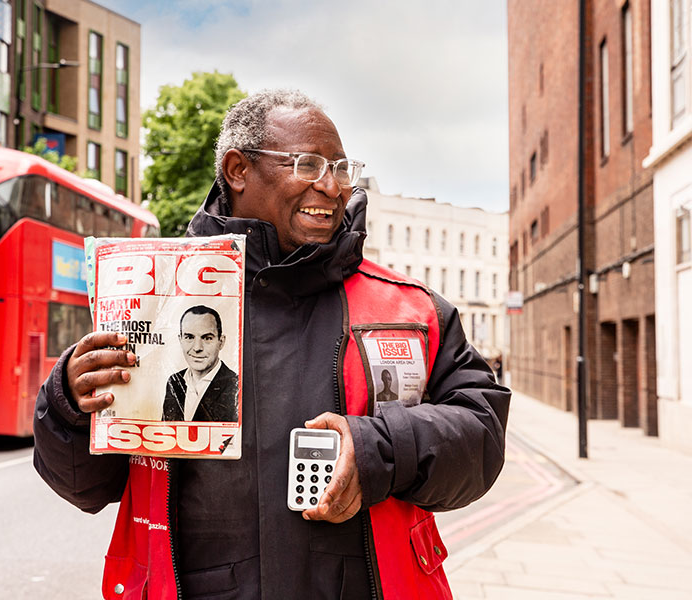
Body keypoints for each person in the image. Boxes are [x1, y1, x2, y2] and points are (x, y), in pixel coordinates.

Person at [33, 89, 510, 600]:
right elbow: (86, 487)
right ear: (238, 170)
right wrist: (68, 403)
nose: (332, 187)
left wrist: (381, 449)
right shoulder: (154, 299)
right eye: (308, 164)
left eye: (342, 168)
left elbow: (481, 434)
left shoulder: (413, 311)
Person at [162, 305, 238, 422]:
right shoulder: (174, 381)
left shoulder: (236, 385)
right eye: (189, 337)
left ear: (221, 342)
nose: (197, 348)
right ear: (180, 340)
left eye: (207, 338)